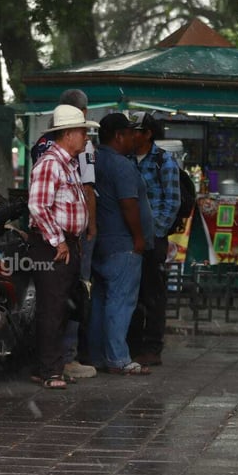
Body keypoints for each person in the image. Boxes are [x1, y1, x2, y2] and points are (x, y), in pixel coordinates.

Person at [27, 104, 98, 389]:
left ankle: (49, 366)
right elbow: (37, 205)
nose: (85, 137)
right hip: (52, 244)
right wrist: (58, 240)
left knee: (61, 306)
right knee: (52, 307)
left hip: (66, 242)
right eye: (82, 131)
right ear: (68, 134)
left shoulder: (66, 164)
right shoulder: (51, 164)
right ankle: (48, 370)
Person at [87, 112, 154, 376]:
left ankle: (97, 356)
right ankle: (118, 358)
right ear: (118, 136)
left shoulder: (94, 160)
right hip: (122, 243)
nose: (133, 138)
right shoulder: (121, 165)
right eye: (129, 133)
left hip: (101, 242)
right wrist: (139, 238)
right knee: (121, 302)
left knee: (100, 302)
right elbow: (129, 204)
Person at [127, 112, 180, 367]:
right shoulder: (125, 158)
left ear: (147, 134)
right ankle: (132, 345)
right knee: (132, 293)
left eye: (135, 130)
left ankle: (152, 347)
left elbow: (172, 202)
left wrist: (155, 233)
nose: (130, 135)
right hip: (128, 236)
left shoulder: (164, 162)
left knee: (153, 294)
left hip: (154, 237)